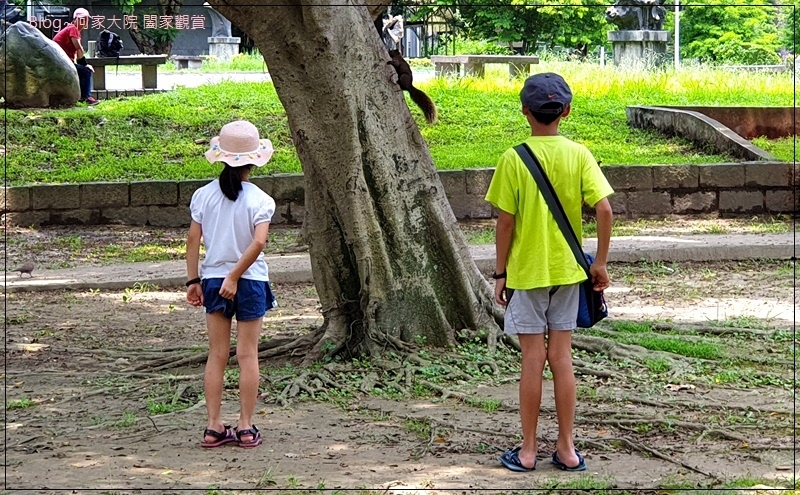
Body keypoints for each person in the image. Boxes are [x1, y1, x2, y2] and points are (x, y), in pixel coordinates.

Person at [485, 73, 614, 472]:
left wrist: (500, 272)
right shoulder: (579, 154)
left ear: (525, 111)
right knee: (562, 358)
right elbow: (605, 209)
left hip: (525, 275)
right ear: (567, 111)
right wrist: (600, 263)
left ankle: (527, 451)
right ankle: (567, 449)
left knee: (531, 359)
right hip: (568, 273)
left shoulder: (513, 158)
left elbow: (505, 223)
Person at [186, 120, 277, 448]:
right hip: (250, 280)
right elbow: (259, 243)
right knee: (248, 355)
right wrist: (236, 276)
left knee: (217, 354)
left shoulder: (202, 196)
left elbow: (193, 238)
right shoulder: (261, 200)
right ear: (254, 161)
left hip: (211, 280)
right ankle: (246, 427)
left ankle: (213, 426)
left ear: (221, 157)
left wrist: (194, 280)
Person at [53, 8, 98, 105]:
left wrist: (83, 63)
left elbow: (78, 52)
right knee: (86, 71)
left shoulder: (71, 29)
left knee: (82, 70)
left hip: (62, 62)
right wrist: (85, 65)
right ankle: (85, 97)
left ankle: (82, 96)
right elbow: (79, 48)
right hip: (62, 63)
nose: (84, 22)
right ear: (75, 19)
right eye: (81, 19)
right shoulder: (73, 29)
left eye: (85, 19)